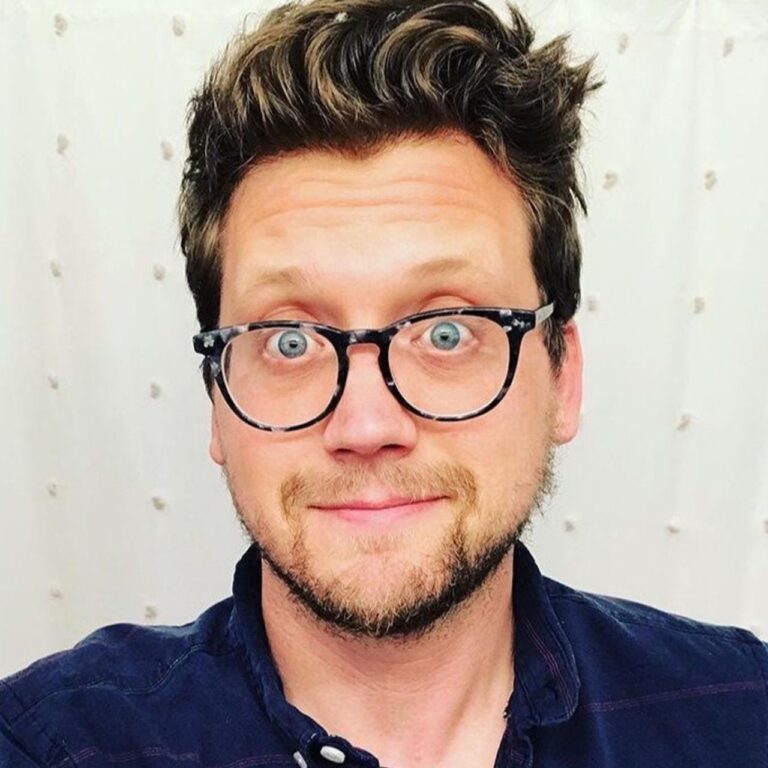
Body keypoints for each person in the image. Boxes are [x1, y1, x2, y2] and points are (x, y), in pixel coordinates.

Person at [2, 0, 766, 766]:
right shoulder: (47, 747)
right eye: (290, 341)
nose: (366, 425)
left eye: (447, 331)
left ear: (561, 378)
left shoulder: (741, 714)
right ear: (215, 401)